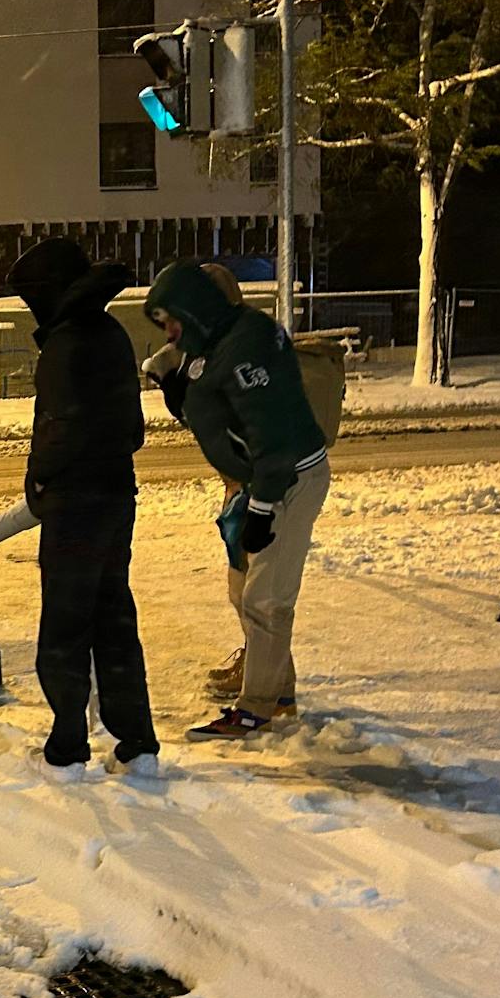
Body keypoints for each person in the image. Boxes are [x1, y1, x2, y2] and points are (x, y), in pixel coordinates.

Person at [142, 261, 329, 741]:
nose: (169, 332)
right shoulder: (216, 344)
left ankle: (257, 709)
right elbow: (220, 419)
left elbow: (274, 438)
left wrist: (263, 508)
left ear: (191, 307)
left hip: (285, 481)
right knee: (244, 592)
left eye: (169, 321)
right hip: (258, 483)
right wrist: (177, 386)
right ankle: (278, 692)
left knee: (266, 600)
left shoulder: (245, 349)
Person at [8, 238, 157, 774]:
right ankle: (136, 738)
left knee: (66, 627)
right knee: (114, 618)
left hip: (75, 505)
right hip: (118, 495)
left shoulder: (67, 344)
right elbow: (130, 428)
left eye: (31, 299)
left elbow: (57, 428)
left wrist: (40, 477)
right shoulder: (112, 333)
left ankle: (68, 745)